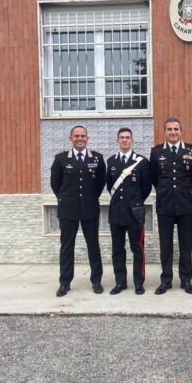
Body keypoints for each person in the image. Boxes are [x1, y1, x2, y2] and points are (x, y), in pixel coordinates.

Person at [50, 126, 106, 297]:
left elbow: (100, 183)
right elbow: (55, 184)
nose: (80, 139)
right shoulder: (60, 159)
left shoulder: (97, 158)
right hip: (68, 210)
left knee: (93, 246)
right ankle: (65, 282)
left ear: (87, 138)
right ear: (70, 138)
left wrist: (89, 198)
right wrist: (66, 199)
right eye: (77, 136)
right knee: (67, 247)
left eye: (83, 136)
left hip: (90, 209)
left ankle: (96, 281)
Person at [150, 117, 192, 295]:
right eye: (170, 129)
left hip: (185, 205)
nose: (173, 132)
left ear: (181, 131)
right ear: (165, 132)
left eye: (176, 129)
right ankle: (166, 280)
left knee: (185, 245)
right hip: (165, 205)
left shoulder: (191, 150)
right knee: (166, 245)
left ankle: (186, 280)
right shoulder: (156, 152)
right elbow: (154, 178)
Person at [106, 128, 152, 295]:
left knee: (137, 249)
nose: (124, 140)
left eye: (127, 138)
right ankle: (120, 282)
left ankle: (139, 282)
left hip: (134, 214)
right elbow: (109, 186)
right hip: (116, 213)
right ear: (117, 141)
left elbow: (146, 187)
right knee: (117, 250)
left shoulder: (142, 162)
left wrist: (136, 202)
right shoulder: (111, 161)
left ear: (132, 140)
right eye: (122, 138)